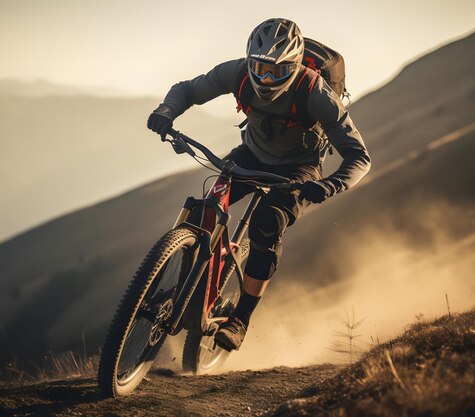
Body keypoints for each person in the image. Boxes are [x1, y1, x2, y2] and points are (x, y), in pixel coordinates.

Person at [147, 18, 371, 351]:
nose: (265, 78)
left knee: (267, 225)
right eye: (259, 68)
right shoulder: (238, 73)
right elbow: (188, 90)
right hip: (251, 155)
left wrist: (329, 185)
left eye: (276, 72)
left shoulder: (315, 93)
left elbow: (358, 157)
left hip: (299, 169)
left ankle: (240, 319)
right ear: (250, 60)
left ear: (293, 67)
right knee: (206, 208)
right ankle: (181, 280)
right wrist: (167, 110)